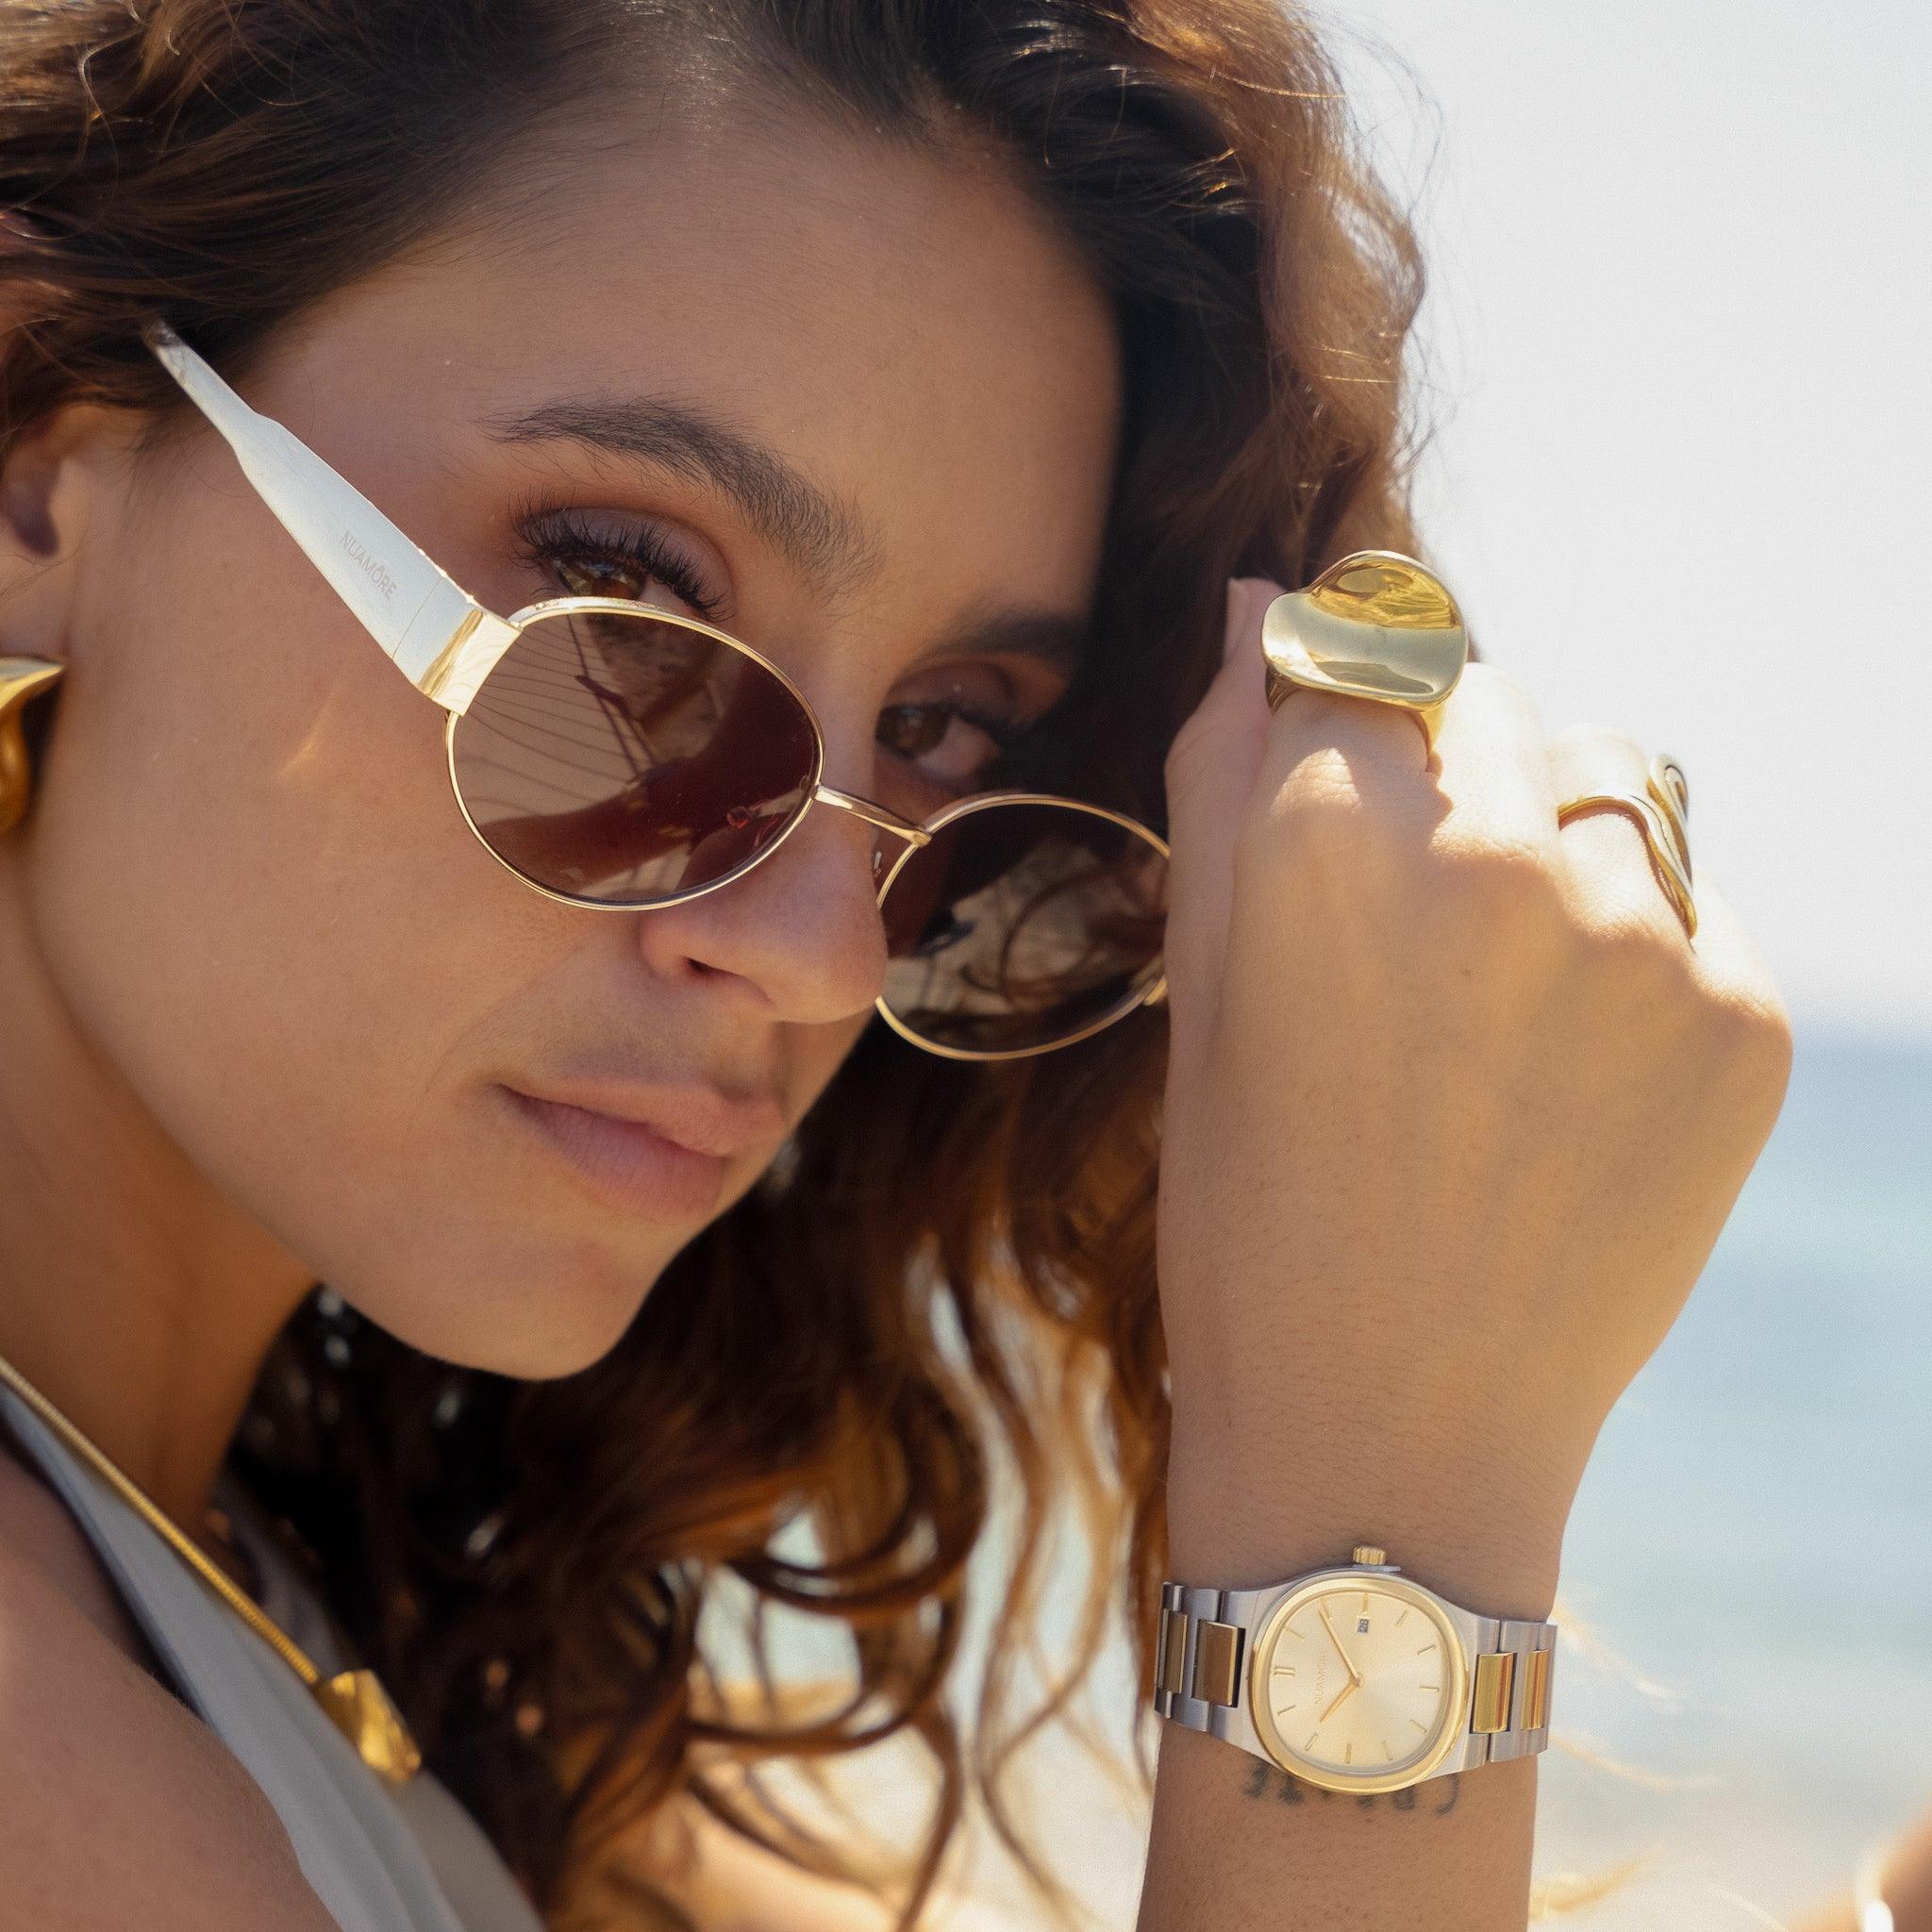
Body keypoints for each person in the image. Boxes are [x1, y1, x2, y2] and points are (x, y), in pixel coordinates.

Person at [0, 2, 1792, 1927]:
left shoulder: (236, 1598)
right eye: (625, 598)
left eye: (945, 727)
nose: (823, 953)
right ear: (37, 463)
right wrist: (1380, 1533)